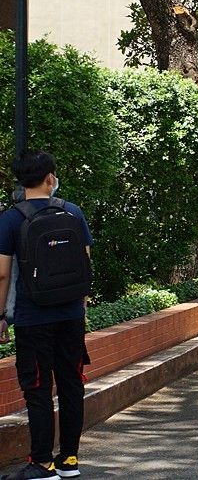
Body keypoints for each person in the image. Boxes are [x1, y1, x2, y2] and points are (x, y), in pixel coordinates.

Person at [0, 150, 92, 479]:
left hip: (32, 316)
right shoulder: (73, 211)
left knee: (37, 389)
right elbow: (84, 260)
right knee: (71, 384)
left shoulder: (11, 218)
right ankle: (69, 460)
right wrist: (80, 302)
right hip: (70, 314)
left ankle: (41, 463)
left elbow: (2, 274)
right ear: (50, 177)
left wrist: (0, 316)